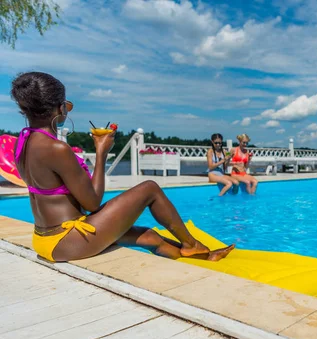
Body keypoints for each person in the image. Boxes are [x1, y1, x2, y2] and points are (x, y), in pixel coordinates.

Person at [11, 71, 234, 263]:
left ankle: (201, 258)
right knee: (149, 188)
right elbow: (92, 203)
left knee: (149, 236)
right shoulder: (56, 149)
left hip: (45, 238)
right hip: (66, 240)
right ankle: (191, 244)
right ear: (59, 109)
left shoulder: (23, 142)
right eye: (67, 105)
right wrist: (101, 152)